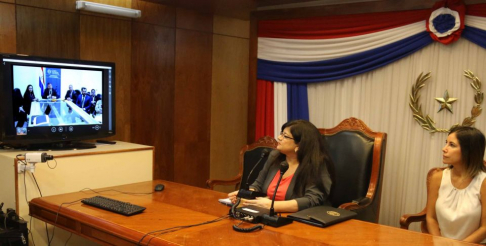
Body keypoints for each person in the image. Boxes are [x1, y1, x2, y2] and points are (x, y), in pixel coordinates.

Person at [228, 119, 334, 212]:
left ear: (300, 144)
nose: (279, 138)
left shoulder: (317, 164)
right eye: (281, 133)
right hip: (266, 215)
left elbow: (313, 199)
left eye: (285, 136)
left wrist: (273, 206)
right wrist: (244, 195)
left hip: (299, 221)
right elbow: (257, 186)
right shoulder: (275, 157)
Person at [426, 126, 486, 243]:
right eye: (446, 143)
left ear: (469, 151)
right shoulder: (437, 177)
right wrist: (439, 242)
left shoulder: (483, 182)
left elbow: (485, 228)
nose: (444, 149)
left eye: (452, 145)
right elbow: (431, 218)